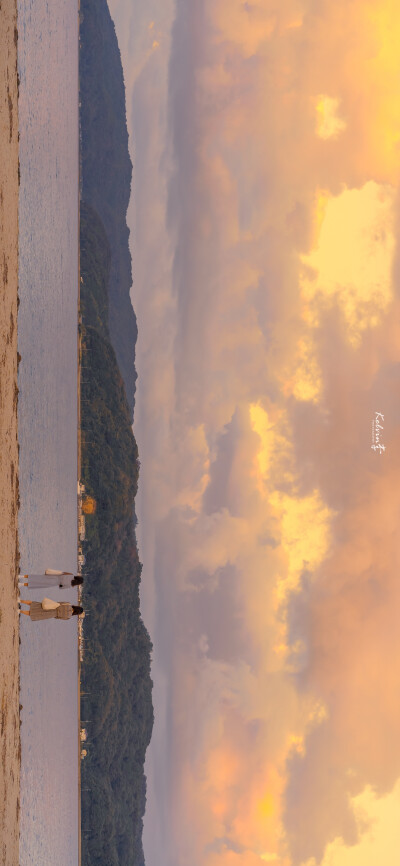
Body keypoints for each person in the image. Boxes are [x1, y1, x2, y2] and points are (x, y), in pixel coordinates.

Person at [19, 599, 84, 621]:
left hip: (52, 606)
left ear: (76, 607)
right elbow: (58, 618)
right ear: (76, 613)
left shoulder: (68, 604)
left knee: (35, 604)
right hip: (51, 614)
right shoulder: (68, 617)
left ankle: (20, 601)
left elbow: (59, 603)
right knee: (34, 614)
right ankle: (20, 611)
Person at [18, 570, 84, 589]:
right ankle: (21, 584)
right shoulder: (70, 585)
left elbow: (62, 573)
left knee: (37, 577)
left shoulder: (71, 574)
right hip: (54, 583)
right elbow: (61, 587)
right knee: (38, 584)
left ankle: (21, 576)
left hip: (53, 576)